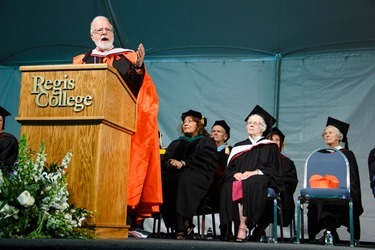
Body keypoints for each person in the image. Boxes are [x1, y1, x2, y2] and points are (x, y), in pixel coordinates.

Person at [73, 16, 162, 229]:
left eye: (107, 29)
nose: (104, 33)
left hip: (121, 128)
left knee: (119, 174)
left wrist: (139, 68)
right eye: (99, 30)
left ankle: (123, 220)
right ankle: (84, 217)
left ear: (113, 33)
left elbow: (139, 93)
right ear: (92, 35)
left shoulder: (128, 58)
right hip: (90, 128)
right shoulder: (81, 61)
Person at [219, 105, 281, 242]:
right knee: (228, 185)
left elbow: (273, 169)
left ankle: (243, 225)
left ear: (263, 128)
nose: (251, 125)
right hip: (239, 177)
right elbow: (229, 169)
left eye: (255, 123)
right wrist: (235, 174)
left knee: (251, 183)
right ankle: (232, 227)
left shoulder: (270, 146)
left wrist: (255, 172)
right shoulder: (238, 147)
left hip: (260, 177)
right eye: (249, 123)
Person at [161, 110, 217, 239]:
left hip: (199, 175)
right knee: (165, 180)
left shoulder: (207, 142)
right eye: (184, 122)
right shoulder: (176, 143)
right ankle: (182, 224)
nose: (185, 124)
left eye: (190, 121)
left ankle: (183, 224)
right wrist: (171, 163)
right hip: (177, 175)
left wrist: (183, 163)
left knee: (184, 179)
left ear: (199, 124)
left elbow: (205, 161)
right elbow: (166, 160)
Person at [307, 117, 363, 244]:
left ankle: (330, 233)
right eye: (325, 133)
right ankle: (330, 233)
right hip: (324, 188)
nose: (326, 135)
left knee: (331, 197)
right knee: (321, 196)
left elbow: (353, 176)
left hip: (343, 190)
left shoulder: (347, 154)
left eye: (330, 133)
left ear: (339, 137)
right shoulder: (321, 154)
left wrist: (350, 191)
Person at [250, 127, 298, 240]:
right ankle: (258, 229)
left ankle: (259, 229)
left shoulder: (287, 162)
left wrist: (275, 185)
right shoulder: (258, 159)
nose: (274, 142)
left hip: (279, 196)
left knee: (269, 199)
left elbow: (290, 181)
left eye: (277, 140)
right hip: (259, 193)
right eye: (271, 139)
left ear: (281, 144)